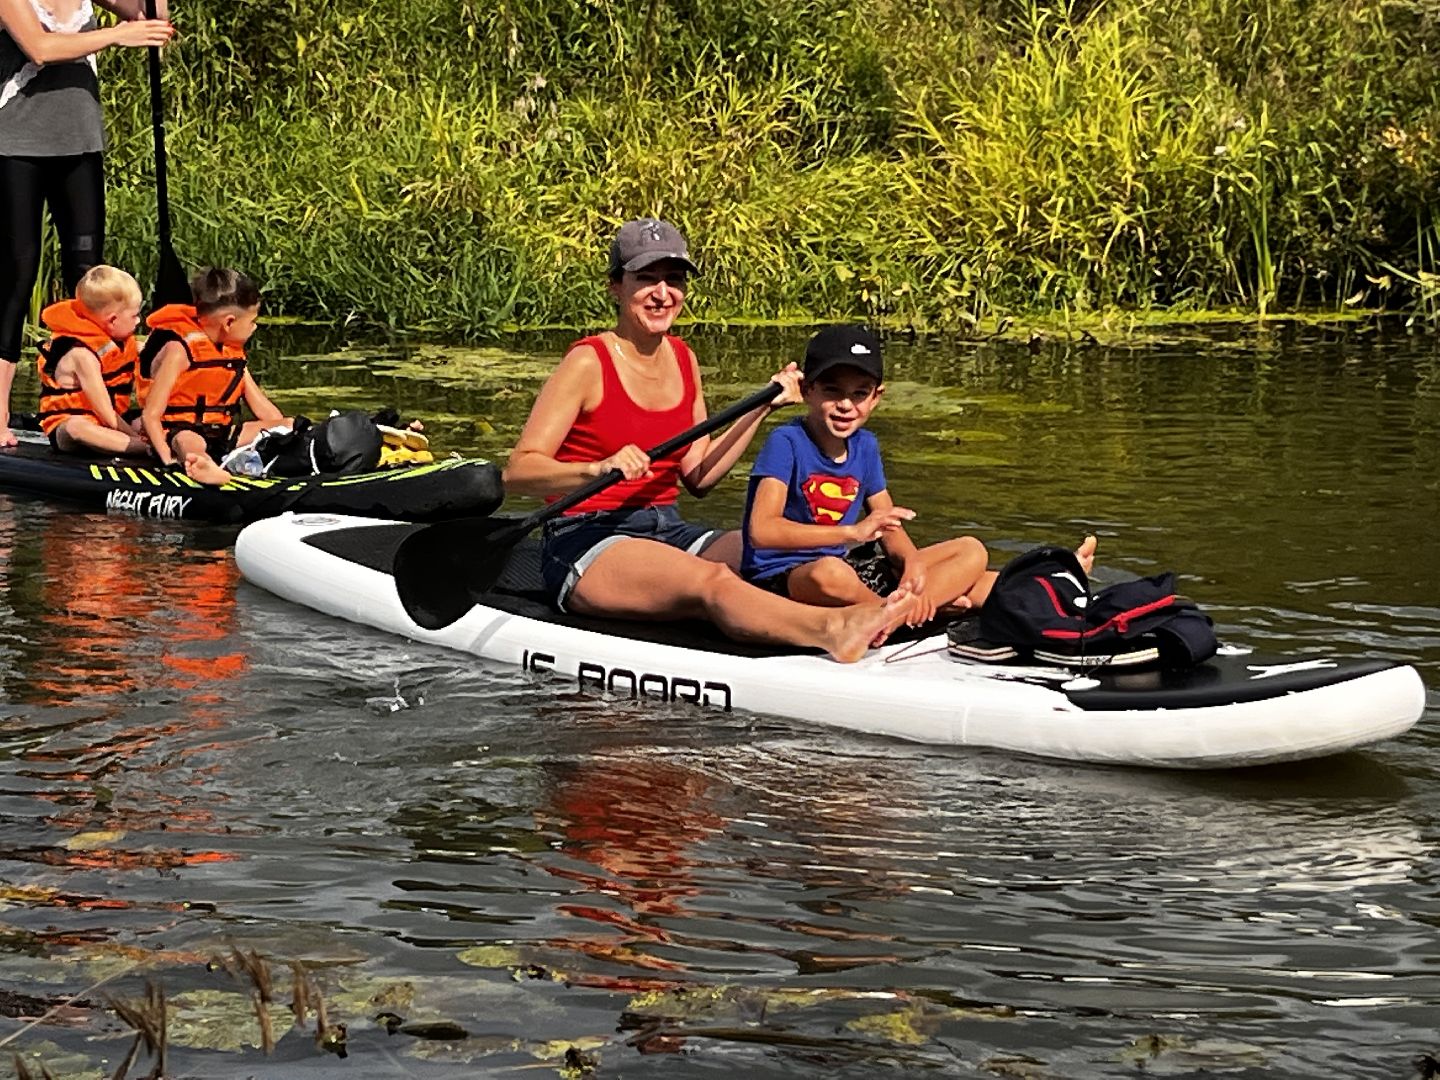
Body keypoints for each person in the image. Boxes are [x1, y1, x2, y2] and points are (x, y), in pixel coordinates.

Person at [501, 218, 903, 663]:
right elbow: (519, 472)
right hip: (586, 537)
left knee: (771, 554)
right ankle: (833, 631)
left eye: (673, 280)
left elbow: (699, 475)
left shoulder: (683, 357)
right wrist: (596, 469)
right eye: (645, 278)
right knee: (714, 580)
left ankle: (889, 609)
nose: (662, 293)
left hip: (666, 527)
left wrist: (761, 407)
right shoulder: (587, 362)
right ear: (615, 286)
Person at [741, 325, 1097, 629]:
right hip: (790, 578)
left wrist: (912, 568)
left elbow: (890, 527)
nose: (846, 405)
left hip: (850, 574)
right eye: (832, 390)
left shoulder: (866, 446)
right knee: (830, 574)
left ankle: (1056, 581)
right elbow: (762, 531)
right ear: (807, 391)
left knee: (971, 553)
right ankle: (904, 613)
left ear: (876, 398)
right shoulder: (786, 441)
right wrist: (851, 532)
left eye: (859, 393)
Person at [0, 0, 175, 447]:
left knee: (88, 275)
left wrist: (145, 18)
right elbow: (39, 47)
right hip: (15, 144)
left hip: (79, 141)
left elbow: (147, 16)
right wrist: (116, 35)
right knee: (18, 272)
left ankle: (91, 404)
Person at [139, 267, 291, 485]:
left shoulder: (232, 354)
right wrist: (167, 460)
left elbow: (266, 412)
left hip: (222, 434)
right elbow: (150, 415)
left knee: (289, 425)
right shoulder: (179, 351)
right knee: (190, 442)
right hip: (178, 433)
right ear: (228, 322)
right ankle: (202, 466)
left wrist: (284, 432)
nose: (254, 327)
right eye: (252, 321)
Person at [34, 263, 148, 454]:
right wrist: (136, 438)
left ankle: (139, 442)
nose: (139, 321)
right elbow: (105, 413)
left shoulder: (124, 344)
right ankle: (145, 448)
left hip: (114, 422)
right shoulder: (82, 356)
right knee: (76, 428)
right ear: (112, 320)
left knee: (146, 420)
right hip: (72, 426)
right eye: (135, 315)